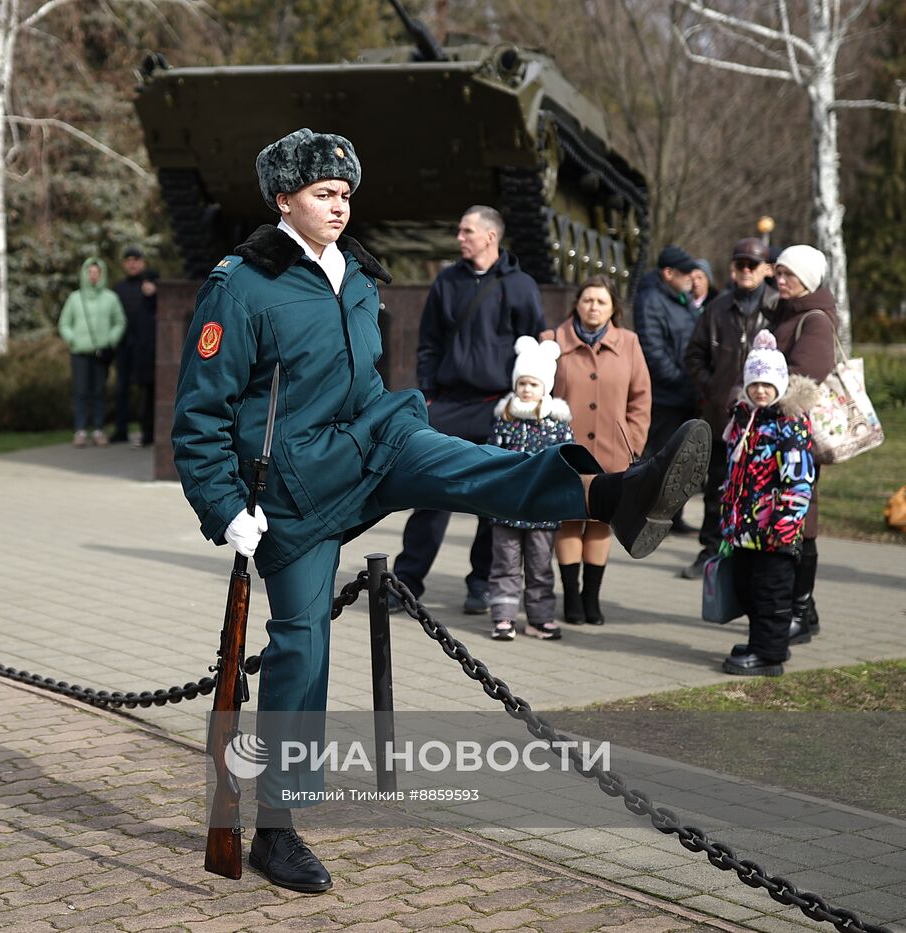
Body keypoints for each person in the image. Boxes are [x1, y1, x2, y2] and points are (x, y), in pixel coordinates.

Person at [172, 127, 710, 894]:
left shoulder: (357, 277)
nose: (339, 206)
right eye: (324, 193)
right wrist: (225, 507)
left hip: (370, 440)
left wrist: (389, 428)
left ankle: (611, 496)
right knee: (302, 647)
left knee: (463, 464)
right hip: (293, 492)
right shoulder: (242, 284)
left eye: (346, 193)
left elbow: (361, 380)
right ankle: (277, 828)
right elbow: (199, 414)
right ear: (284, 197)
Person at [392, 205, 547, 615]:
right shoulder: (447, 281)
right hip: (448, 404)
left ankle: (481, 584)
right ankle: (408, 581)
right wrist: (426, 392)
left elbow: (534, 346)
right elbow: (429, 342)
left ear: (490, 237)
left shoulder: (520, 286)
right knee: (429, 494)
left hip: (499, 407)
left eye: (466, 231)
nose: (459, 237)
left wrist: (527, 402)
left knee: (490, 501)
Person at [543, 277, 651, 625]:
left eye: (601, 302)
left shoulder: (630, 344)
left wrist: (632, 441)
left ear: (613, 309)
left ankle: (593, 599)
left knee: (602, 524)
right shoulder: (552, 342)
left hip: (613, 451)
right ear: (576, 303)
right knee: (570, 520)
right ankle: (572, 599)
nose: (593, 306)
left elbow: (641, 399)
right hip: (566, 451)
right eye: (588, 300)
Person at [719, 331, 818, 676]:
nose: (761, 390)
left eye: (768, 384)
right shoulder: (745, 420)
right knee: (748, 588)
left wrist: (785, 523)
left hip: (774, 531)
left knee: (772, 593)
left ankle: (771, 655)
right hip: (745, 528)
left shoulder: (787, 425)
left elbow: (799, 479)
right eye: (755, 383)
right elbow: (734, 472)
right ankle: (760, 642)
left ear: (779, 385)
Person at [682, 238, 779, 578]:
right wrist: (713, 386)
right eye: (740, 264)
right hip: (723, 416)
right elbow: (693, 355)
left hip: (767, 419)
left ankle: (748, 554)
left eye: (753, 264)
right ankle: (709, 551)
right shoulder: (718, 308)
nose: (746, 270)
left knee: (761, 489)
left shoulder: (778, 308)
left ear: (767, 269)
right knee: (717, 487)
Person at [767, 244, 838, 644]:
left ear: (807, 279)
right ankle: (802, 610)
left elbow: (804, 377)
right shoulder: (785, 312)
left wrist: (759, 395)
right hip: (777, 434)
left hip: (796, 435)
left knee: (801, 520)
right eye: (778, 272)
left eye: (788, 274)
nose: (780, 280)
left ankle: (799, 609)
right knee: (788, 519)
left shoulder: (815, 320)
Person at [486, 337, 573, 641]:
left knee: (540, 566)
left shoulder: (557, 424)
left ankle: (539, 617)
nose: (526, 389)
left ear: (545, 387)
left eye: (533, 384)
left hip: (542, 509)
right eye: (522, 383)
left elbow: (566, 460)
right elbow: (491, 459)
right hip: (506, 507)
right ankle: (503, 618)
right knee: (506, 565)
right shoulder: (504, 421)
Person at [635, 245, 702, 535]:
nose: (692, 277)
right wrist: (683, 380)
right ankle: (641, 515)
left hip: (686, 394)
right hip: (665, 396)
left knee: (683, 458)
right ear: (668, 273)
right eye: (686, 272)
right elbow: (653, 350)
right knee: (658, 456)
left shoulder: (682, 299)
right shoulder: (650, 300)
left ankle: (673, 515)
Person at [57, 257, 126, 447]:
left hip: (101, 353)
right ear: (85, 274)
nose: (93, 276)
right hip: (79, 352)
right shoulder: (75, 298)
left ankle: (98, 430)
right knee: (80, 392)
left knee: (99, 392)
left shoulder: (111, 298)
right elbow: (64, 324)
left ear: (102, 275)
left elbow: (119, 322)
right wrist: (72, 339)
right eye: (90, 272)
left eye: (97, 273)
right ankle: (79, 431)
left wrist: (111, 339)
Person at [109, 246, 160, 447]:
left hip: (145, 347)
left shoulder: (150, 286)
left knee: (147, 390)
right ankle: (121, 430)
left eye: (136, 259)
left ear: (143, 262)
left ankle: (148, 431)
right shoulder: (118, 289)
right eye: (128, 260)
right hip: (124, 346)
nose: (132, 263)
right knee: (122, 389)